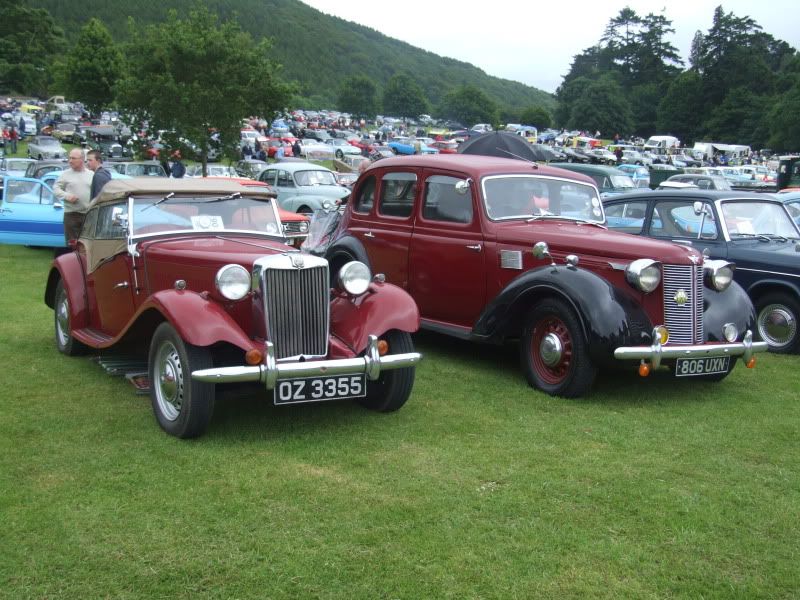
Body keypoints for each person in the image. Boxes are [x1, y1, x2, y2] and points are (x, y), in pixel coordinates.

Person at [54, 149, 93, 244]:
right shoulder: (65, 174)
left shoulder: (91, 175)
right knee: (72, 244)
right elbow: (56, 189)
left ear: (82, 159)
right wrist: (67, 196)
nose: (70, 161)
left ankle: (84, 259)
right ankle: (73, 258)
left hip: (88, 215)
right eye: (69, 158)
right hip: (71, 215)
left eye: (73, 158)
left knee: (87, 244)